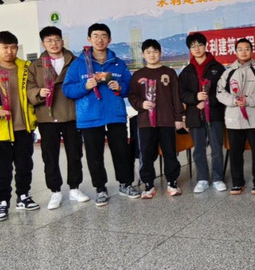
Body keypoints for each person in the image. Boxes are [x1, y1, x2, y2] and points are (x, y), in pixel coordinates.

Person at [63, 23, 140, 206]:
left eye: (104, 36)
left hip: (115, 114)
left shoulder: (118, 63)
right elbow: (67, 90)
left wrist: (120, 87)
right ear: (89, 39)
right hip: (90, 116)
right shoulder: (78, 64)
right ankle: (100, 188)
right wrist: (85, 86)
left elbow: (130, 88)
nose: (100, 40)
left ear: (109, 39)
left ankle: (125, 184)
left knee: (121, 151)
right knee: (94, 155)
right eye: (96, 36)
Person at [26, 26, 89, 210]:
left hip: (71, 114)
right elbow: (29, 88)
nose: (53, 44)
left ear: (62, 41)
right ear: (43, 44)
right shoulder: (36, 66)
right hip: (47, 116)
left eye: (56, 39)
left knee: (75, 153)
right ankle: (55, 191)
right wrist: (38, 92)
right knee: (50, 156)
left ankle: (75, 188)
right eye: (49, 40)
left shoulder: (75, 61)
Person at [0, 31, 39, 223]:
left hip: (22, 126)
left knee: (24, 165)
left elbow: (32, 93)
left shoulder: (26, 68)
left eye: (13, 47)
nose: (10, 51)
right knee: (0, 169)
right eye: (5, 47)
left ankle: (23, 196)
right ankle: (2, 202)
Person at [129, 39, 185, 198]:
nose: (152, 55)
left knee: (170, 152)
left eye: (155, 51)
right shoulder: (138, 75)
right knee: (146, 154)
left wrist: (178, 117)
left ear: (160, 53)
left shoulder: (169, 73)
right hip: (145, 122)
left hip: (167, 120)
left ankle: (172, 182)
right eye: (148, 52)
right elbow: (132, 96)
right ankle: (148, 185)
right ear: (143, 54)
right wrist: (141, 104)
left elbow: (176, 97)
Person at [216, 39, 255, 195]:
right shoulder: (228, 72)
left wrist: (249, 100)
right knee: (235, 153)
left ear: (252, 51)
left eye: (247, 49)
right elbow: (220, 92)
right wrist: (234, 101)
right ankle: (237, 183)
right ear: (235, 52)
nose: (243, 52)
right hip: (234, 120)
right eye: (240, 49)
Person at [179, 33, 227, 193]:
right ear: (190, 49)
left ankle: (218, 178)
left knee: (216, 148)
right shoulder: (186, 71)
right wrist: (195, 98)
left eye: (199, 45)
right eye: (193, 46)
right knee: (198, 149)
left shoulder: (217, 68)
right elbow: (182, 94)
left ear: (205, 46)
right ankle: (202, 179)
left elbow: (223, 91)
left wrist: (207, 101)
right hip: (195, 115)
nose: (197, 49)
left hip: (214, 114)